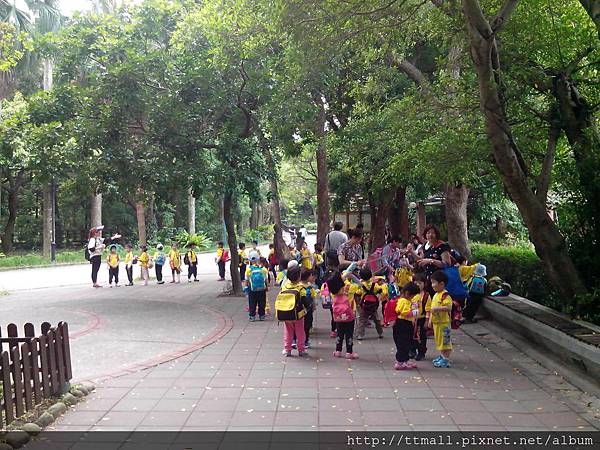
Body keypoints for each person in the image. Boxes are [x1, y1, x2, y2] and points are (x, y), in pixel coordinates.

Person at [277, 265, 310, 357]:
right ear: (299, 277)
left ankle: (287, 349)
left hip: (286, 313)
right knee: (300, 331)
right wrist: (308, 307)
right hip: (298, 314)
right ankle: (301, 349)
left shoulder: (285, 286)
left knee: (288, 331)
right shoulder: (300, 288)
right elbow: (305, 300)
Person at [329, 267, 359, 360]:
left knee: (340, 334)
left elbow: (335, 283)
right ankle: (349, 352)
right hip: (349, 317)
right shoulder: (349, 289)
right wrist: (351, 276)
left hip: (338, 317)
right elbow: (359, 283)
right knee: (349, 334)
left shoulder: (333, 294)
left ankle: (338, 351)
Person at [392, 282, 421, 370]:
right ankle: (400, 361)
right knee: (403, 343)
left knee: (407, 342)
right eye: (412, 296)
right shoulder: (403, 301)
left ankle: (405, 359)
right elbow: (405, 313)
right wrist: (415, 312)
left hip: (406, 324)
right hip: (403, 324)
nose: (412, 298)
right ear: (408, 293)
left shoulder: (406, 301)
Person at [428, 270, 453, 368]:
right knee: (439, 341)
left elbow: (448, 307)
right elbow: (431, 309)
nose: (432, 285)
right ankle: (442, 356)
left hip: (444, 323)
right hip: (437, 323)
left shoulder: (445, 295)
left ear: (442, 284)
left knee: (445, 341)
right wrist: (430, 320)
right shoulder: (436, 294)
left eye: (434, 283)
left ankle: (446, 359)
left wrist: (437, 309)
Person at [353, 266, 385, 340]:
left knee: (362, 320)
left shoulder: (361, 285)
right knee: (377, 319)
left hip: (364, 306)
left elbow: (358, 293)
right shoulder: (375, 284)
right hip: (373, 306)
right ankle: (380, 333)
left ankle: (360, 334)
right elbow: (380, 290)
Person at [410, 272, 431, 360]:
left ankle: (421, 352)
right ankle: (412, 350)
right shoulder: (411, 294)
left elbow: (428, 310)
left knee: (421, 336)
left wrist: (427, 321)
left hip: (421, 319)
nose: (418, 285)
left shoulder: (426, 296)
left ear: (424, 284)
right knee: (411, 335)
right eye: (416, 283)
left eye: (420, 283)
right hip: (412, 319)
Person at [245, 252, 269, 321]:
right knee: (262, 302)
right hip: (262, 289)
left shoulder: (249, 269)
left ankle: (252, 316)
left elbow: (247, 280)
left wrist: (246, 287)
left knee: (252, 302)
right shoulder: (263, 269)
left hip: (252, 289)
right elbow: (266, 280)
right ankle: (262, 315)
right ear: (258, 258)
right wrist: (267, 287)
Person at [301, 268, 318, 348]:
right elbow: (313, 298)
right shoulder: (310, 287)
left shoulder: (298, 286)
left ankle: (295, 340)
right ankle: (305, 341)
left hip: (299, 309)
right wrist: (314, 306)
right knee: (307, 325)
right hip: (308, 309)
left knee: (299, 325)